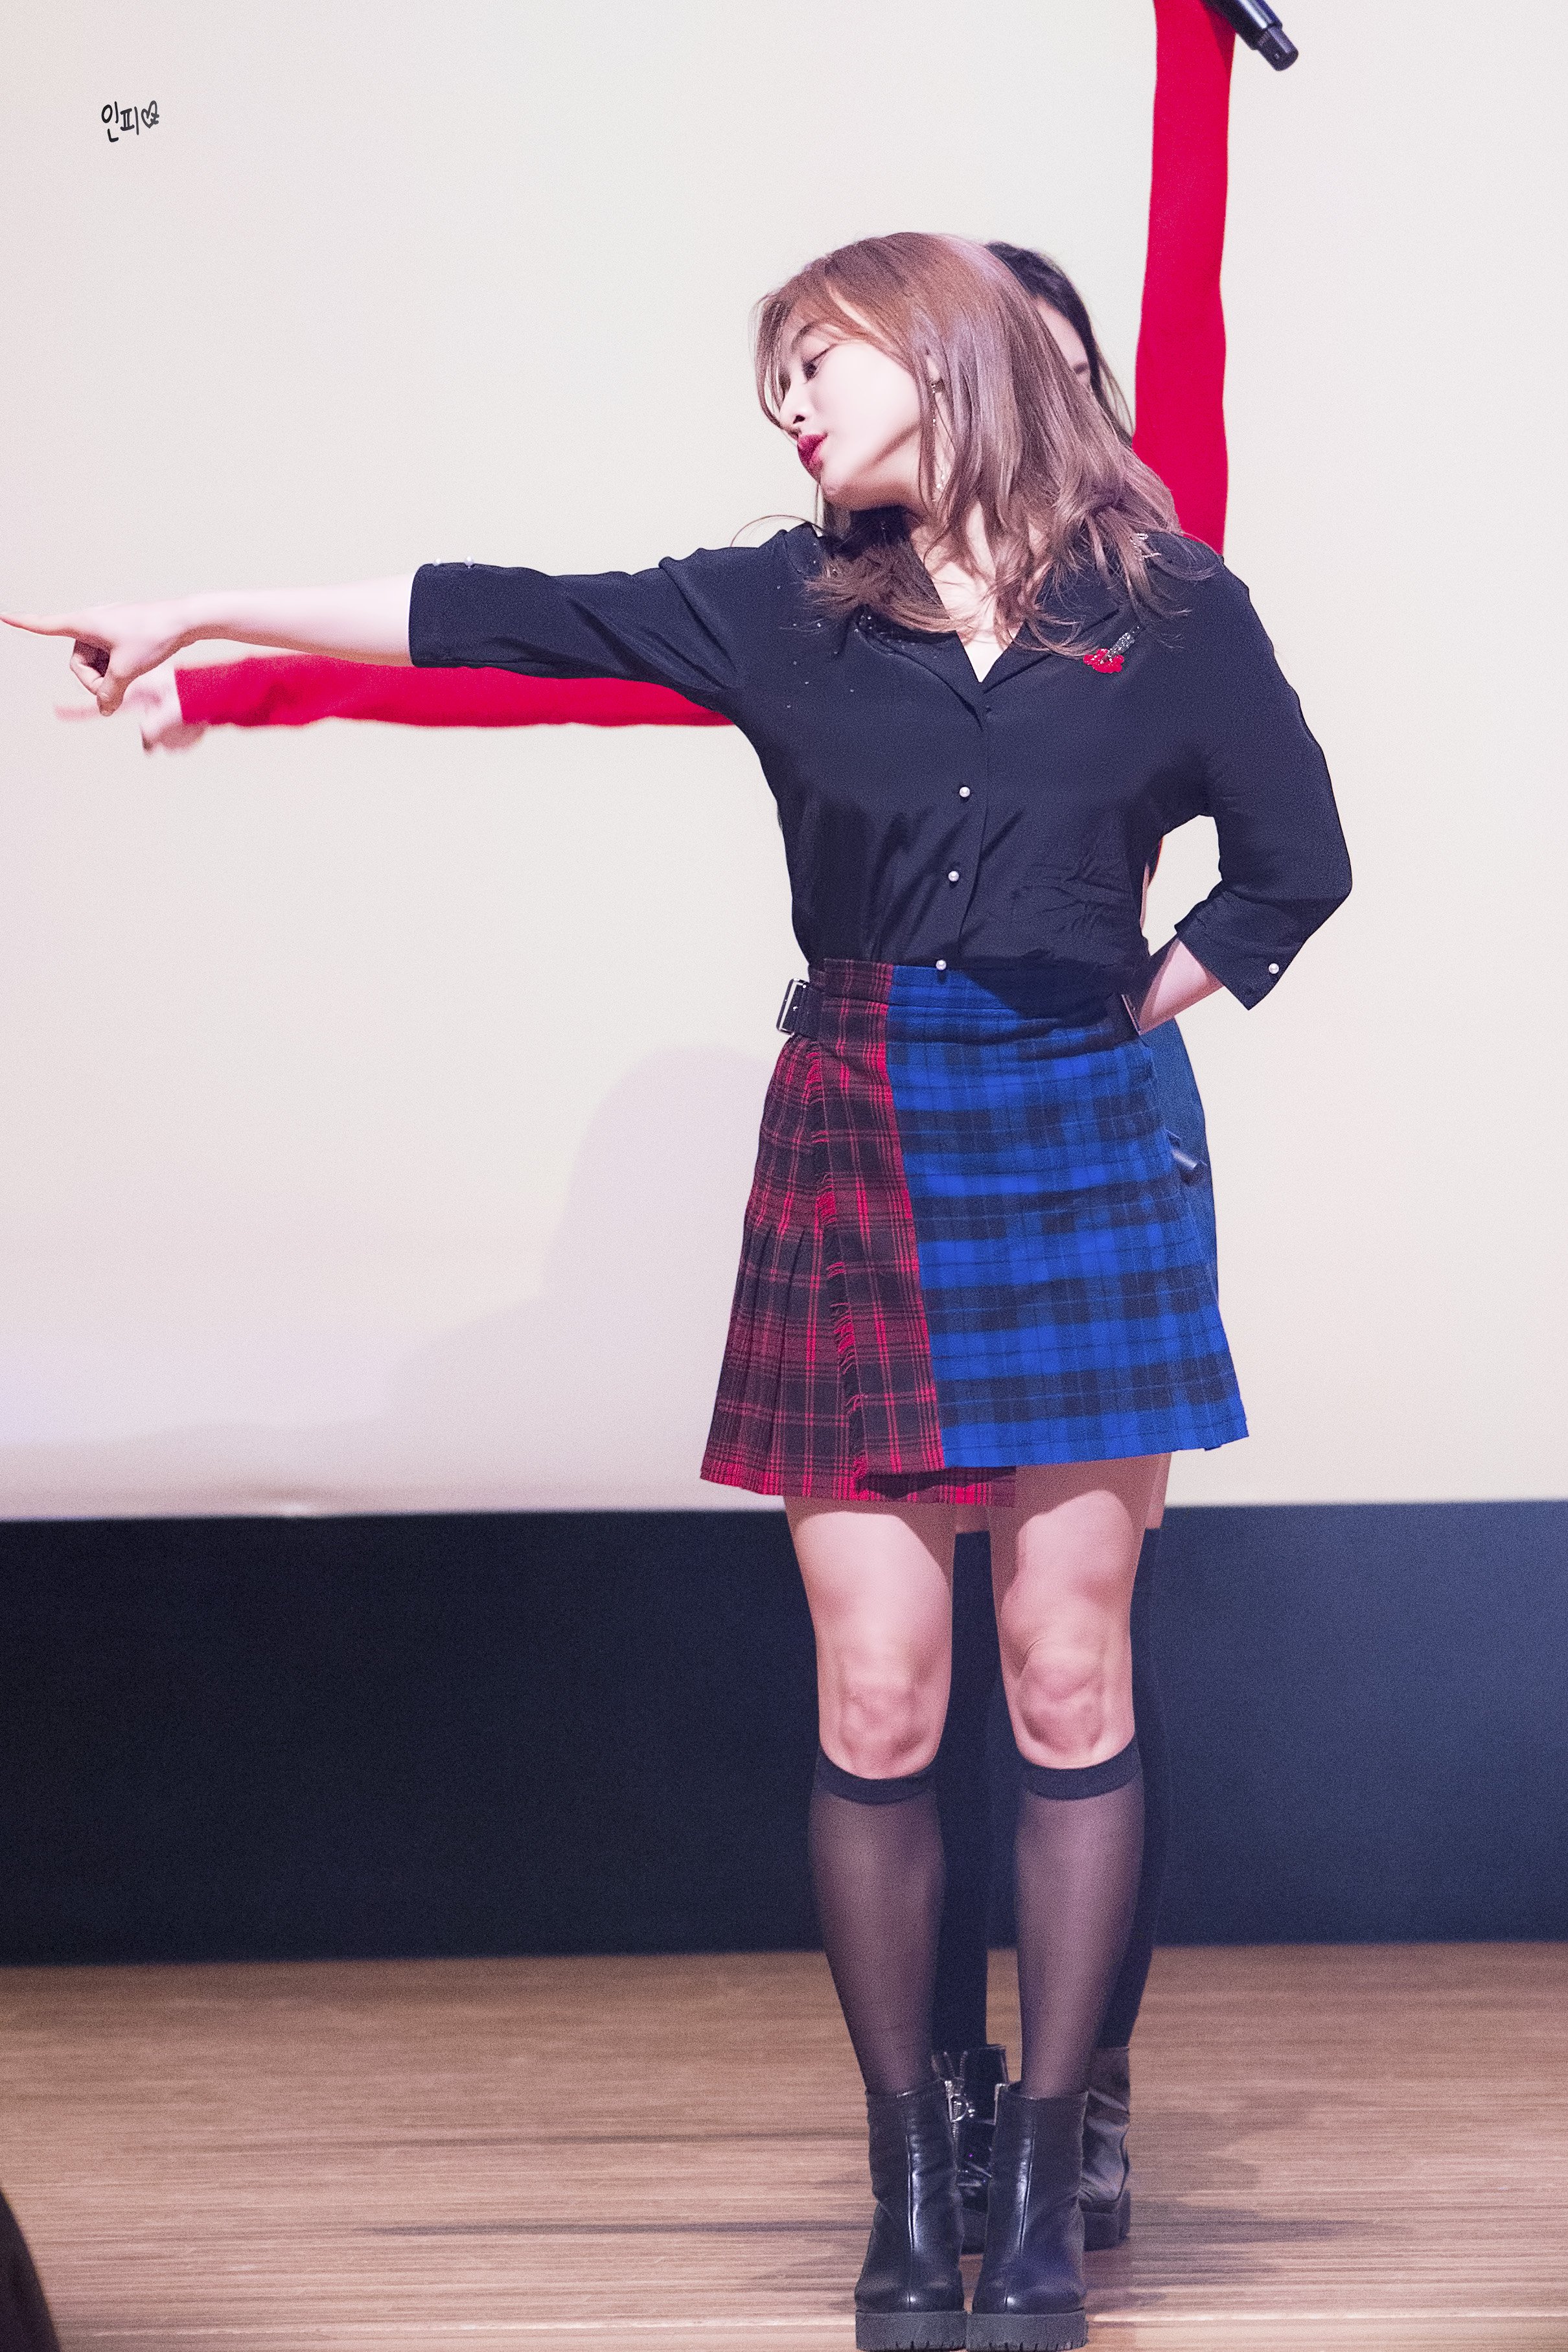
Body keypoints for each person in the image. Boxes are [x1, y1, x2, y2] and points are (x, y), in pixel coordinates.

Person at [9, 230, 1350, 2352]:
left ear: (947, 359)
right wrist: (204, 612)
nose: (791, 406)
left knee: (1065, 1673)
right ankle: (907, 2186)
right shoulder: (778, 606)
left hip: (1083, 1153)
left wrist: (1127, 1016)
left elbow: (1296, 865)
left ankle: (1043, 2181)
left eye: (820, 364)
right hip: (857, 1135)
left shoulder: (1165, 607)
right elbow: (488, 611)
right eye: (775, 379)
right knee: (876, 1695)